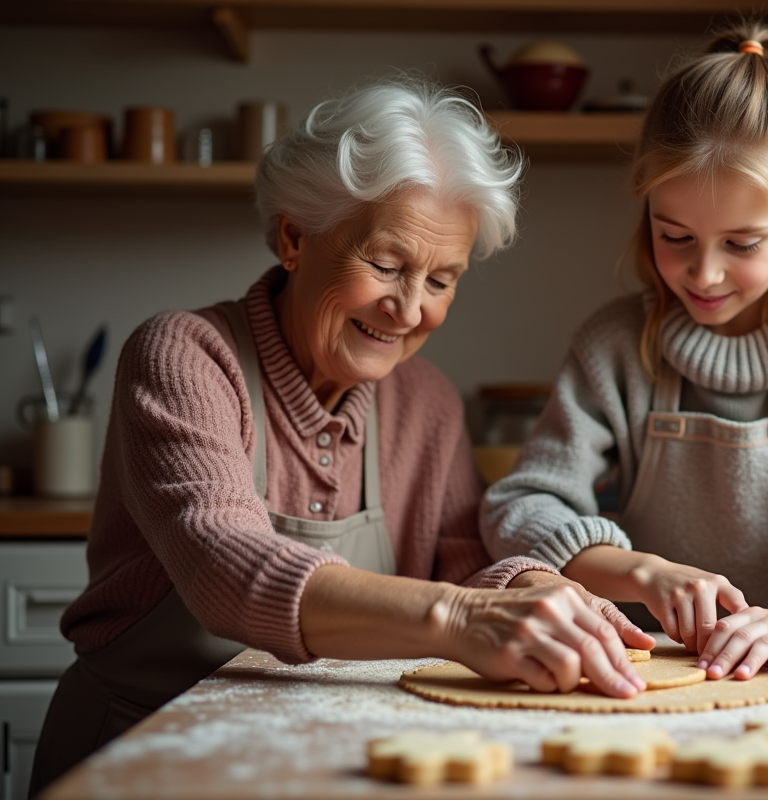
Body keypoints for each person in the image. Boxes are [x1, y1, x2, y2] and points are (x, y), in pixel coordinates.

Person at [31, 77, 653, 796]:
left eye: (442, 280)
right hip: (140, 752)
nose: (409, 308)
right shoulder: (184, 356)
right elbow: (227, 567)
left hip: (326, 757)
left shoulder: (428, 403)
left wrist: (542, 591)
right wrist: (460, 616)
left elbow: (465, 562)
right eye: (386, 266)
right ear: (295, 237)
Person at [481, 23, 768, 684]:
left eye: (741, 243)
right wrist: (640, 572)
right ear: (647, 205)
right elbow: (520, 507)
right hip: (650, 675)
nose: (703, 274)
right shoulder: (613, 345)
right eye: (675, 235)